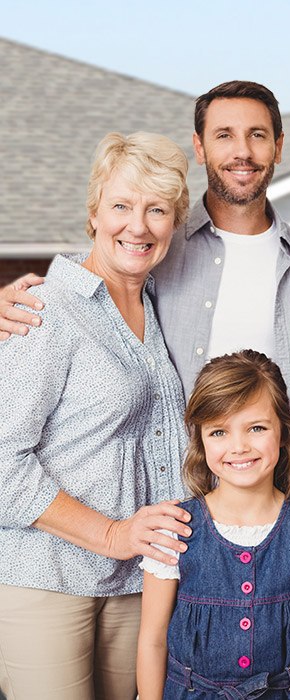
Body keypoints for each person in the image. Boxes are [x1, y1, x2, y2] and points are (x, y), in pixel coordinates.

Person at [0, 80, 290, 425]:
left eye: (257, 135)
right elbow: (84, 291)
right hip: (176, 477)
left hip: (282, 476)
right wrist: (12, 302)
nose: (242, 152)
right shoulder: (155, 249)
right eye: (224, 135)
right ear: (199, 147)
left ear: (278, 147)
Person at [0, 132, 194, 699]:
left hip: (136, 581)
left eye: (157, 210)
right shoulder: (44, 309)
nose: (138, 225)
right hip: (46, 579)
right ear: (93, 214)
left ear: (174, 224)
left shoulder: (157, 309)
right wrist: (111, 533)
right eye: (122, 206)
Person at [137, 350, 290, 699]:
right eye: (219, 432)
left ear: (284, 432)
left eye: (256, 428)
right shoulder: (174, 527)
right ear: (200, 438)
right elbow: (152, 641)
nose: (239, 447)